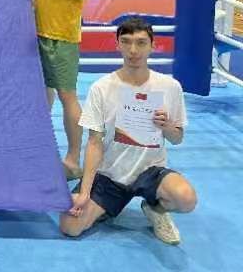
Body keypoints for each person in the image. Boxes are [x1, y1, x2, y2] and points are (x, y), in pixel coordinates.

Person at [60, 18, 197, 244]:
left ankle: (155, 209)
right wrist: (84, 192)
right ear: (117, 45)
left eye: (141, 43)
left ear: (153, 46)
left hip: (150, 172)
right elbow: (94, 142)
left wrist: (167, 127)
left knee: (186, 199)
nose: (133, 50)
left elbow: (177, 138)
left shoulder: (170, 86)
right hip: (110, 175)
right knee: (70, 226)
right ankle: (105, 205)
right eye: (126, 42)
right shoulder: (101, 88)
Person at [33, 0, 91, 180]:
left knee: (67, 95)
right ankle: (42, 147)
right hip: (39, 27)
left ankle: (73, 159)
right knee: (42, 93)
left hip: (63, 33)